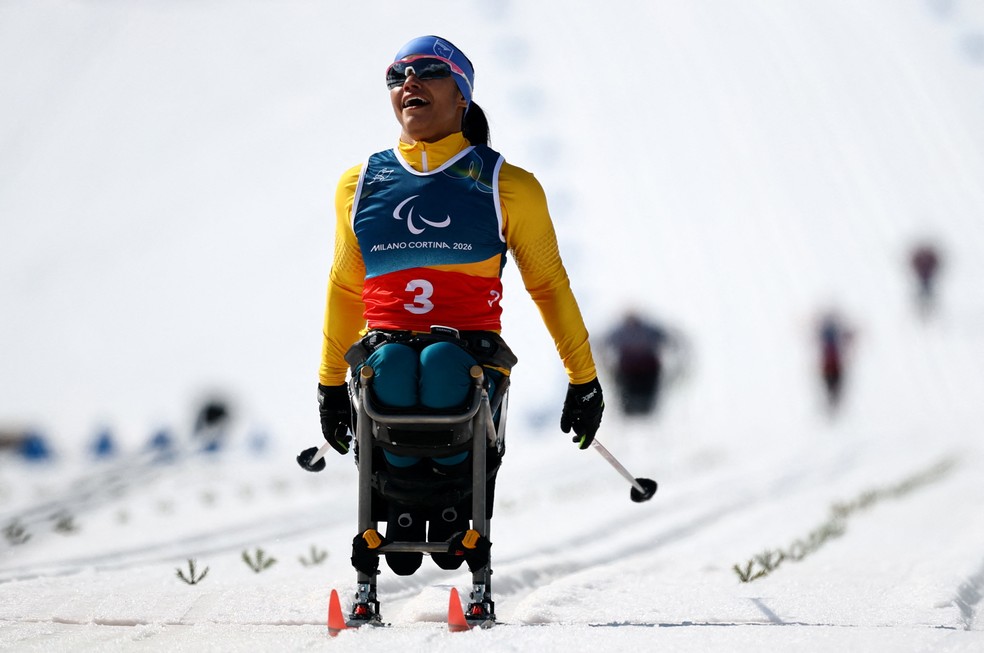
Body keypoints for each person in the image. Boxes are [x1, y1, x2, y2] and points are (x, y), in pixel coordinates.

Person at [315, 35, 604, 578]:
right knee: (396, 366)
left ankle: (451, 515)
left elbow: (549, 285)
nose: (409, 83)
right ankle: (399, 510)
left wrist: (582, 379)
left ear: (462, 97)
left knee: (442, 364)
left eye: (427, 71)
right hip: (384, 351)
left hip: (468, 350)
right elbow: (345, 288)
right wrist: (330, 384)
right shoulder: (358, 184)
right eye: (397, 75)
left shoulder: (507, 185)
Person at [603, 311, 678, 415]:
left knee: (646, 394)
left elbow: (666, 339)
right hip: (628, 370)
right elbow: (607, 343)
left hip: (648, 369)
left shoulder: (650, 330)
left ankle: (647, 407)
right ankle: (628, 409)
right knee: (626, 392)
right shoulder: (620, 332)